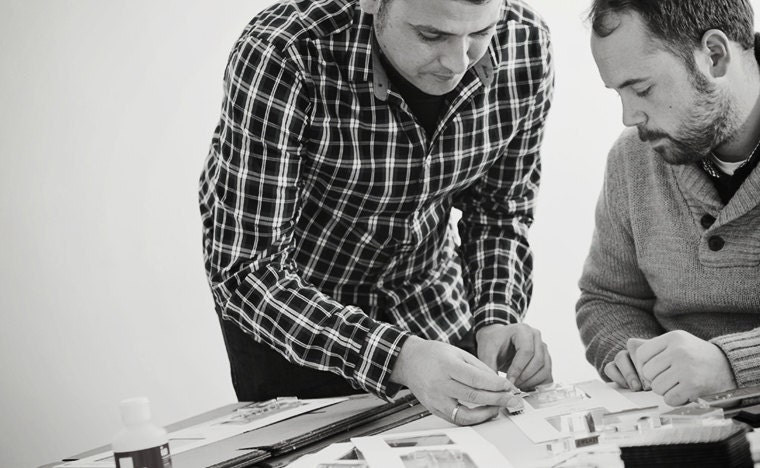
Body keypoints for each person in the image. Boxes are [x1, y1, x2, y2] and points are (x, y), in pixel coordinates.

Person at [199, 0, 554, 426]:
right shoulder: (285, 51)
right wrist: (399, 356)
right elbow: (246, 270)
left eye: (480, 33)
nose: (458, 63)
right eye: (431, 35)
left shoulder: (525, 42)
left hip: (431, 307)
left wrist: (497, 317)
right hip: (296, 324)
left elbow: (499, 214)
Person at [577, 0, 760, 407]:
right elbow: (607, 299)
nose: (629, 117)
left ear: (715, 56)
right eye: (619, 92)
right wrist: (627, 352)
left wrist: (731, 365)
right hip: (678, 420)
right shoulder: (633, 158)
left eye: (642, 89)